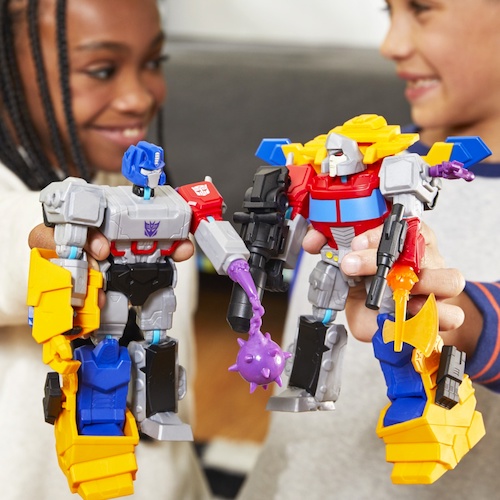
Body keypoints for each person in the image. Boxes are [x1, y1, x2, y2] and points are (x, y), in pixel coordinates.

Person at [238, 1, 500, 498]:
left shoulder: (404, 182)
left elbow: (470, 315)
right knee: (317, 322)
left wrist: (466, 318)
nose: (391, 45)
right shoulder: (351, 178)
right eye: (388, 10)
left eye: (422, 9)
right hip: (283, 483)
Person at [0, 1, 210, 498]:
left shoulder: (137, 193)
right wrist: (61, 233)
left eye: (153, 62)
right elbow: (15, 236)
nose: (139, 97)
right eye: (101, 69)